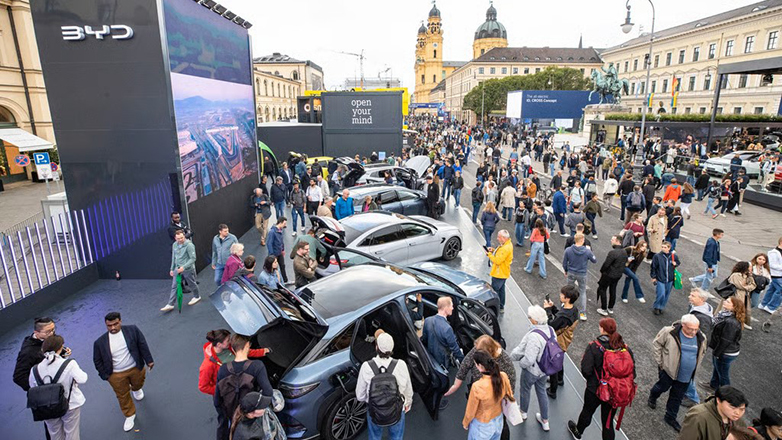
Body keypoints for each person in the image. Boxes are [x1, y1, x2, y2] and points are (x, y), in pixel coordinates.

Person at [567, 317, 635, 440]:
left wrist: (593, 381)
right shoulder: (625, 348)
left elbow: (586, 370)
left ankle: (578, 432)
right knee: (607, 423)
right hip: (615, 391)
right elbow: (632, 372)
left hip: (595, 389)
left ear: (602, 329)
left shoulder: (594, 346)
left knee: (587, 411)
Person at [92, 312, 154, 432]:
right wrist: (105, 376)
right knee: (122, 394)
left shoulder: (132, 330)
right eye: (109, 325)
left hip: (135, 367)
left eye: (115, 324)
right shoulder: (99, 342)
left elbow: (142, 344)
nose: (113, 328)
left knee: (138, 383)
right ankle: (130, 415)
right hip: (115, 374)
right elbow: (97, 360)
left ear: (120, 321)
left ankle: (136, 389)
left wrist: (149, 360)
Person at [649, 314, 707, 433]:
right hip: (668, 371)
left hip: (686, 376)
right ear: (683, 325)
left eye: (696, 329)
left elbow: (703, 351)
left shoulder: (701, 337)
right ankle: (653, 396)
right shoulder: (669, 332)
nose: (694, 332)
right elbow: (657, 344)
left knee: (677, 397)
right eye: (691, 328)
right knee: (661, 387)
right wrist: (661, 363)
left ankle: (670, 417)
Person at [214, 334, 273, 440]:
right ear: (247, 346)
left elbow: (217, 401)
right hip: (251, 417)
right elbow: (268, 392)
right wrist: (256, 411)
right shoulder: (256, 366)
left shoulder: (223, 369)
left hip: (232, 416)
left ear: (232, 348)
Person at [355, 332, 413, 440]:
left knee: (374, 437)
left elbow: (360, 396)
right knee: (396, 437)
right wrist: (407, 403)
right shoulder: (401, 364)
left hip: (374, 410)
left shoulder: (366, 366)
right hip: (397, 409)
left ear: (376, 347)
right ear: (392, 347)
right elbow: (408, 389)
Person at [29, 335, 88, 440]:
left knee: (54, 435)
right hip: (70, 404)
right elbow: (83, 379)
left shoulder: (34, 370)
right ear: (61, 347)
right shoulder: (69, 364)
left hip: (47, 407)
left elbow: (32, 386)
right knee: (72, 434)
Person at [510, 306, 553, 432]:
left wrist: (522, 364)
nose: (528, 319)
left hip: (532, 370)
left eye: (530, 317)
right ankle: (545, 420)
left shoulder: (534, 336)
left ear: (534, 321)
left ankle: (523, 412)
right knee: (542, 391)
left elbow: (529, 359)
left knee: (525, 390)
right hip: (545, 369)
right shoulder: (551, 330)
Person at [421, 296, 464, 410]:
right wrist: (464, 361)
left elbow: (424, 339)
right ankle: (438, 402)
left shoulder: (428, 320)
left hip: (430, 356)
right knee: (441, 382)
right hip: (442, 359)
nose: (453, 308)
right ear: (445, 308)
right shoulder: (447, 328)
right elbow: (454, 348)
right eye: (451, 305)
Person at [461, 349, 515, 439]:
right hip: (498, 420)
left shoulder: (477, 386)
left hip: (482, 425)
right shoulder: (503, 376)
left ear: (480, 366)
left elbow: (471, 410)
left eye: (475, 364)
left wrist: (465, 423)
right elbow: (509, 394)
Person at [199, 329, 270, 396]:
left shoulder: (229, 347)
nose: (230, 341)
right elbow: (203, 387)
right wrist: (223, 390)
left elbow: (242, 352)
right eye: (228, 340)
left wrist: (263, 352)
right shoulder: (207, 365)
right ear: (219, 345)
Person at [543, 285, 580, 400]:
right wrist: (553, 307)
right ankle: (560, 379)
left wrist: (547, 310)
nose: (560, 295)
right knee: (559, 359)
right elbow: (560, 316)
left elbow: (551, 325)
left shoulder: (563, 316)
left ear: (567, 298)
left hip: (558, 342)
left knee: (553, 364)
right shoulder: (573, 310)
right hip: (565, 341)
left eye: (562, 295)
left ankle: (552, 390)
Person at [682, 288, 715, 408]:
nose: (689, 297)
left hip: (694, 349)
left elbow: (703, 337)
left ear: (701, 299)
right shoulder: (702, 309)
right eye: (690, 294)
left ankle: (692, 397)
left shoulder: (702, 317)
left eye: (693, 296)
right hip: (692, 347)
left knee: (687, 371)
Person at [679, 386, 749, 440]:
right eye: (733, 408)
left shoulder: (739, 422)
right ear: (718, 400)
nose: (738, 413)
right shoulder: (698, 416)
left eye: (742, 409)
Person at [706, 296, 744, 391]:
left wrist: (716, 353)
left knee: (723, 374)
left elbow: (725, 340)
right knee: (717, 368)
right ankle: (713, 385)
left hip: (725, 352)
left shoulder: (731, 322)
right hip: (724, 350)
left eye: (727, 302)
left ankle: (725, 393)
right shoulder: (725, 315)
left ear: (734, 307)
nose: (724, 302)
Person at [161, 230, 200, 312]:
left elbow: (193, 258)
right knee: (174, 286)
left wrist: (184, 267)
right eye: (178, 238)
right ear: (175, 238)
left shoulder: (189, 245)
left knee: (191, 283)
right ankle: (170, 304)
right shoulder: (174, 245)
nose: (180, 239)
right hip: (177, 269)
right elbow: (174, 258)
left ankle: (197, 296)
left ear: (184, 236)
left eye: (182, 237)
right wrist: (172, 268)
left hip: (187, 269)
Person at [563, 233, 597, 321]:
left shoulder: (568, 250)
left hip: (571, 272)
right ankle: (582, 313)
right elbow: (594, 260)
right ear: (582, 240)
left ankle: (566, 305)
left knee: (569, 290)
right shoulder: (587, 251)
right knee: (582, 292)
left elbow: (564, 262)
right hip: (582, 274)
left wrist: (566, 270)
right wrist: (590, 251)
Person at [596, 235, 629, 316]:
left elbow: (606, 264)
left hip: (608, 275)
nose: (611, 240)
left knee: (602, 289)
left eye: (613, 239)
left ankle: (603, 309)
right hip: (617, 275)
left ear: (618, 241)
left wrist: (602, 271)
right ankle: (610, 308)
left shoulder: (613, 253)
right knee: (613, 290)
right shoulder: (624, 252)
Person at [719, 262, 756, 328]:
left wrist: (747, 286)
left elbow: (754, 285)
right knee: (731, 308)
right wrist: (748, 287)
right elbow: (740, 286)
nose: (751, 268)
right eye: (749, 267)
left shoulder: (748, 276)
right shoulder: (735, 275)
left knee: (741, 309)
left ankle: (740, 322)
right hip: (735, 295)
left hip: (744, 295)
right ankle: (723, 321)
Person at [651, 241, 681, 314]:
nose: (663, 249)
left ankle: (661, 307)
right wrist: (653, 277)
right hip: (660, 278)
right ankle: (657, 307)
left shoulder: (673, 256)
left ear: (669, 248)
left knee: (666, 294)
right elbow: (653, 267)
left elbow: (678, 262)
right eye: (662, 247)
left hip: (670, 279)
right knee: (661, 294)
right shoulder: (657, 256)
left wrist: (675, 264)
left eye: (665, 247)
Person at [487, 230, 512, 312]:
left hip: (499, 273)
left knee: (495, 291)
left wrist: (489, 254)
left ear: (504, 238)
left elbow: (497, 261)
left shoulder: (505, 248)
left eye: (499, 237)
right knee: (501, 290)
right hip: (504, 272)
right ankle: (501, 306)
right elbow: (501, 255)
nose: (497, 238)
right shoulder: (507, 244)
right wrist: (493, 250)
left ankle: (495, 308)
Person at [759, 237, 782, 314]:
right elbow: (772, 265)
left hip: (779, 275)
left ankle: (764, 304)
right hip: (777, 275)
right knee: (780, 291)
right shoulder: (773, 253)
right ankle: (771, 307)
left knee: (772, 289)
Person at [266, 217, 288, 284]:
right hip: (274, 254)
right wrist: (272, 255)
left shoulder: (280, 230)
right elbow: (269, 243)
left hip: (279, 252)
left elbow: (281, 241)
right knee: (273, 269)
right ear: (280, 223)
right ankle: (273, 282)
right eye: (284, 223)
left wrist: (283, 249)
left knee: (282, 265)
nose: (285, 225)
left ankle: (285, 280)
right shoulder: (272, 232)